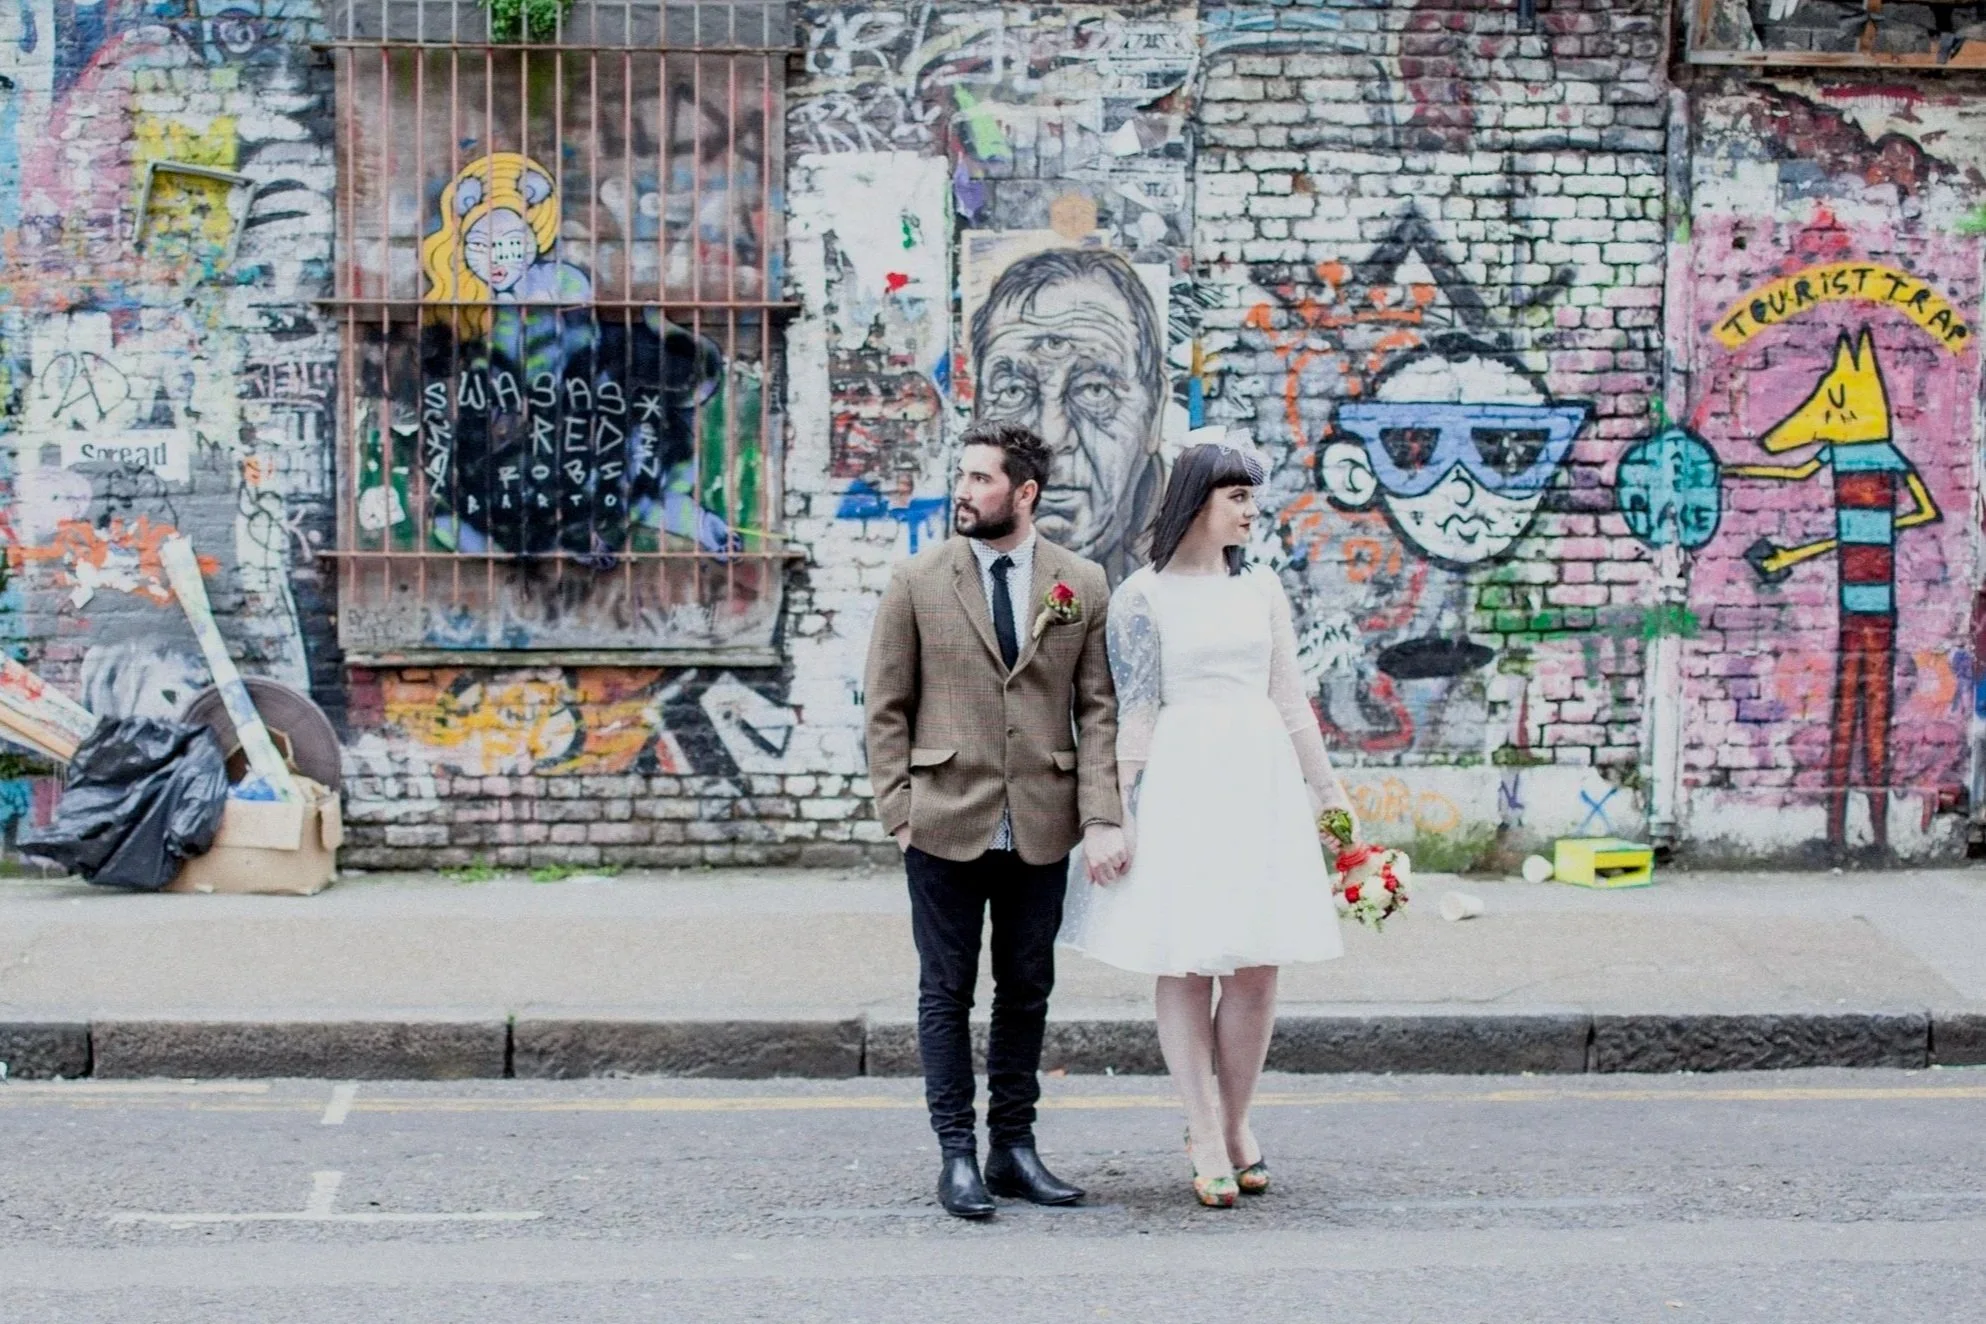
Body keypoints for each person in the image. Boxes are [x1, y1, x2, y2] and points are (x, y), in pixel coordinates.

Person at [1060, 438, 1358, 1208]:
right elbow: (1135, 711)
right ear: (1198, 501)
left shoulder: (1260, 588)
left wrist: (1327, 793)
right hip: (1184, 779)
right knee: (1187, 956)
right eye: (1239, 497)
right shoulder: (1142, 596)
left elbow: (1290, 698)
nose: (1253, 511)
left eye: (1253, 496)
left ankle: (1235, 1120)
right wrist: (1115, 813)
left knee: (1257, 963)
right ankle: (1201, 1126)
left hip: (1259, 778)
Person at [864, 419, 1131, 1219]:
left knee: (1027, 990)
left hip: (1042, 821)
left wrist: (1101, 814)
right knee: (945, 993)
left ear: (1025, 492)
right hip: (942, 819)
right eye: (962, 476)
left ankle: (1012, 1148)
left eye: (981, 479)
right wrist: (899, 813)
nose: (964, 491)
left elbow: (1098, 709)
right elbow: (886, 707)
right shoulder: (916, 581)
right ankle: (957, 1155)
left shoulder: (1081, 583)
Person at [969, 248, 1168, 584]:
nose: (1052, 437)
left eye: (1095, 390)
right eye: (1013, 392)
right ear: (977, 416)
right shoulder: (938, 581)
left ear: (1155, 414)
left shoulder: (1185, 585)